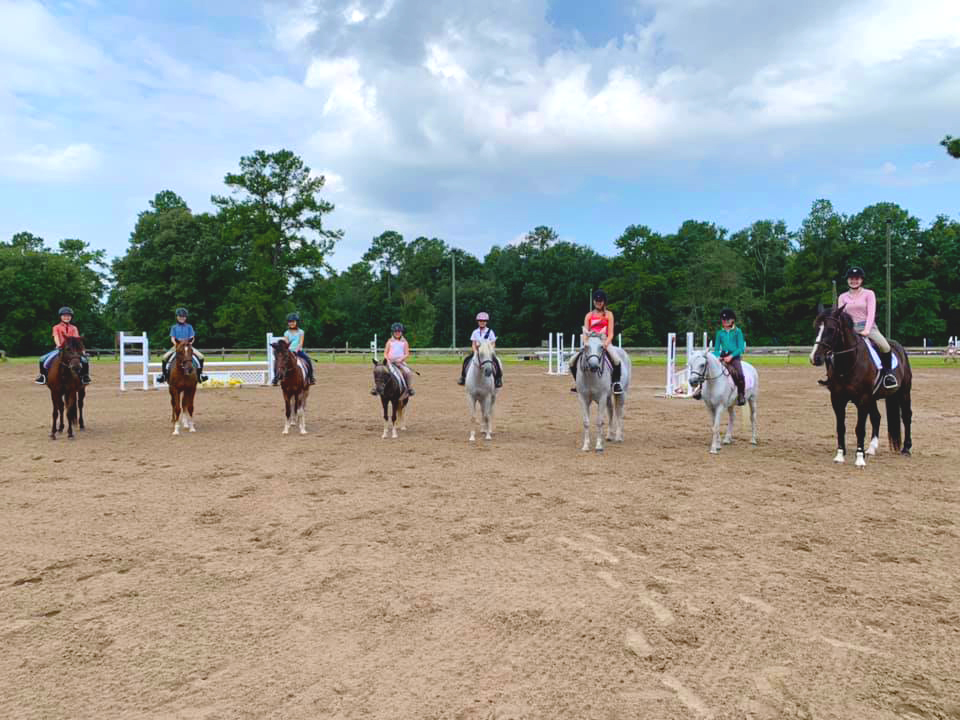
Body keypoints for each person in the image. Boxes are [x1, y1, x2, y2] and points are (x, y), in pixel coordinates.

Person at [838, 266, 898, 390]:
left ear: (861, 280)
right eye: (851, 279)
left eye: (856, 278)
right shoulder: (842, 297)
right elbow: (840, 316)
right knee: (832, 349)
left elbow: (871, 313)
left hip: (868, 328)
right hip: (849, 330)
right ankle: (833, 377)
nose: (854, 281)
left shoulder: (869, 294)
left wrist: (866, 330)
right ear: (847, 280)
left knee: (885, 346)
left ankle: (888, 375)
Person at [569, 290, 623, 394]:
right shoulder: (589, 315)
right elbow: (585, 332)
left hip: (604, 341)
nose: (598, 302)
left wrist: (606, 344)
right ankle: (578, 383)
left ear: (604, 302)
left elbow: (611, 333)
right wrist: (585, 343)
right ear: (594, 301)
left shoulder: (609, 315)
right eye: (597, 300)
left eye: (600, 300)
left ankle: (616, 383)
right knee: (572, 361)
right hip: (590, 343)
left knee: (616, 360)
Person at [35, 306, 91, 385]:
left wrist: (82, 351)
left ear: (71, 317)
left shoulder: (74, 328)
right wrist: (59, 345)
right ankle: (43, 376)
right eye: (64, 316)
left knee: (84, 360)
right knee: (42, 359)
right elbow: (56, 337)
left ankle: (85, 376)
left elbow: (76, 339)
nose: (66, 317)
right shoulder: (56, 327)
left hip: (72, 350)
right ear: (61, 317)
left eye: (68, 316)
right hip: (60, 348)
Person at [157, 308, 207, 384]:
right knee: (164, 358)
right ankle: (164, 375)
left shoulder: (189, 327)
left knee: (201, 356)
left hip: (188, 346)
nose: (182, 318)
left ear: (186, 317)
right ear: (177, 317)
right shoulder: (174, 327)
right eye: (180, 316)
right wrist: (177, 345)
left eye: (183, 316)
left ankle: (200, 375)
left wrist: (189, 344)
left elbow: (192, 338)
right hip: (177, 346)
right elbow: (172, 338)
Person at [710, 308, 747, 405]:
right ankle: (700, 390)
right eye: (723, 320)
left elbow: (741, 348)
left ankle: (741, 394)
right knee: (708, 369)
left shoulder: (738, 332)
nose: (725, 322)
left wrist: (731, 356)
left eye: (727, 320)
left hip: (734, 357)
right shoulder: (719, 333)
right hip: (723, 356)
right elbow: (717, 349)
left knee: (740, 374)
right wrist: (717, 356)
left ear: (732, 320)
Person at [457, 311, 503, 388]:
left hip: (488, 352)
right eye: (480, 321)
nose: (482, 322)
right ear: (478, 322)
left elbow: (493, 343)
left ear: (486, 322)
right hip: (477, 352)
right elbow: (473, 344)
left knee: (496, 361)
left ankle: (498, 379)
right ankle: (463, 377)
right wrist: (475, 351)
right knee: (466, 360)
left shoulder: (490, 332)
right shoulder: (475, 332)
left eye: (484, 321)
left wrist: (490, 350)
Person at [272, 312, 315, 385]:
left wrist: (297, 349)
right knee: (278, 362)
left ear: (296, 322)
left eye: (293, 321)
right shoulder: (286, 333)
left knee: (308, 360)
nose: (291, 323)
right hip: (289, 351)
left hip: (298, 351)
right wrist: (288, 350)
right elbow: (287, 343)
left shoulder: (301, 332)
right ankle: (276, 378)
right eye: (290, 322)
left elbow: (301, 343)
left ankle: (310, 377)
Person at [373, 322, 415, 396]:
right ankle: (378, 388)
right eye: (395, 332)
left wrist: (400, 359)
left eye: (399, 332)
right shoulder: (389, 342)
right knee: (381, 372)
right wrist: (387, 359)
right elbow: (385, 353)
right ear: (393, 333)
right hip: (390, 362)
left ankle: (409, 389)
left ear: (401, 332)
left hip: (400, 362)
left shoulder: (404, 342)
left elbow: (406, 353)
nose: (397, 333)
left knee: (408, 372)